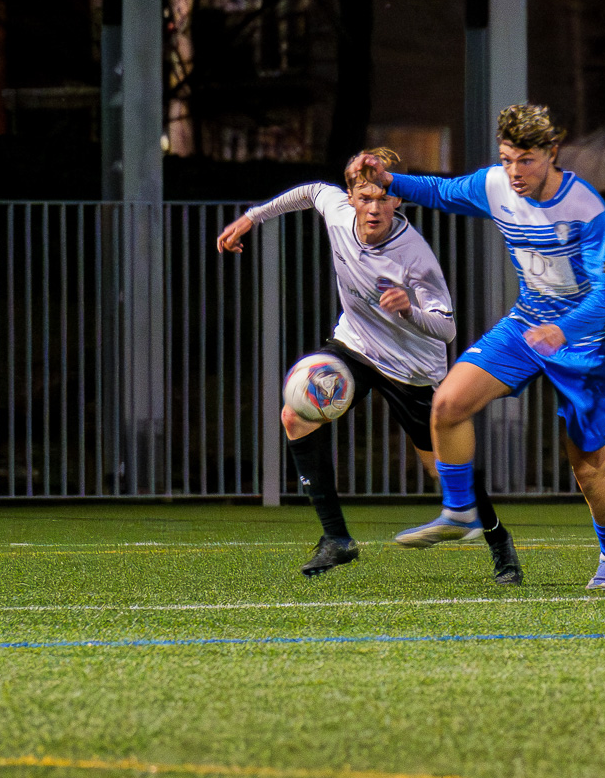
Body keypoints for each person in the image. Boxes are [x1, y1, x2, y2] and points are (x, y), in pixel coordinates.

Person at [351, 104, 605, 590]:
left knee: (589, 470)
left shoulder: (586, 209)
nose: (514, 172)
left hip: (587, 345)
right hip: (526, 326)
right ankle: (460, 511)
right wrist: (389, 179)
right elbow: (440, 190)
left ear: (552, 153)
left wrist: (563, 330)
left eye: (525, 160)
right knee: (447, 403)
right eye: (506, 159)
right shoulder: (496, 186)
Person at [218, 148, 521, 582]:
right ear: (351, 197)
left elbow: (447, 329)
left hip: (412, 369)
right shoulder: (337, 212)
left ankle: (500, 544)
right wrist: (253, 217)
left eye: (382, 198)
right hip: (355, 347)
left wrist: (409, 311)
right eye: (365, 198)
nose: (374, 208)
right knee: (295, 414)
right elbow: (309, 192)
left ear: (397, 200)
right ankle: (336, 538)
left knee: (443, 468)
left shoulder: (415, 256)